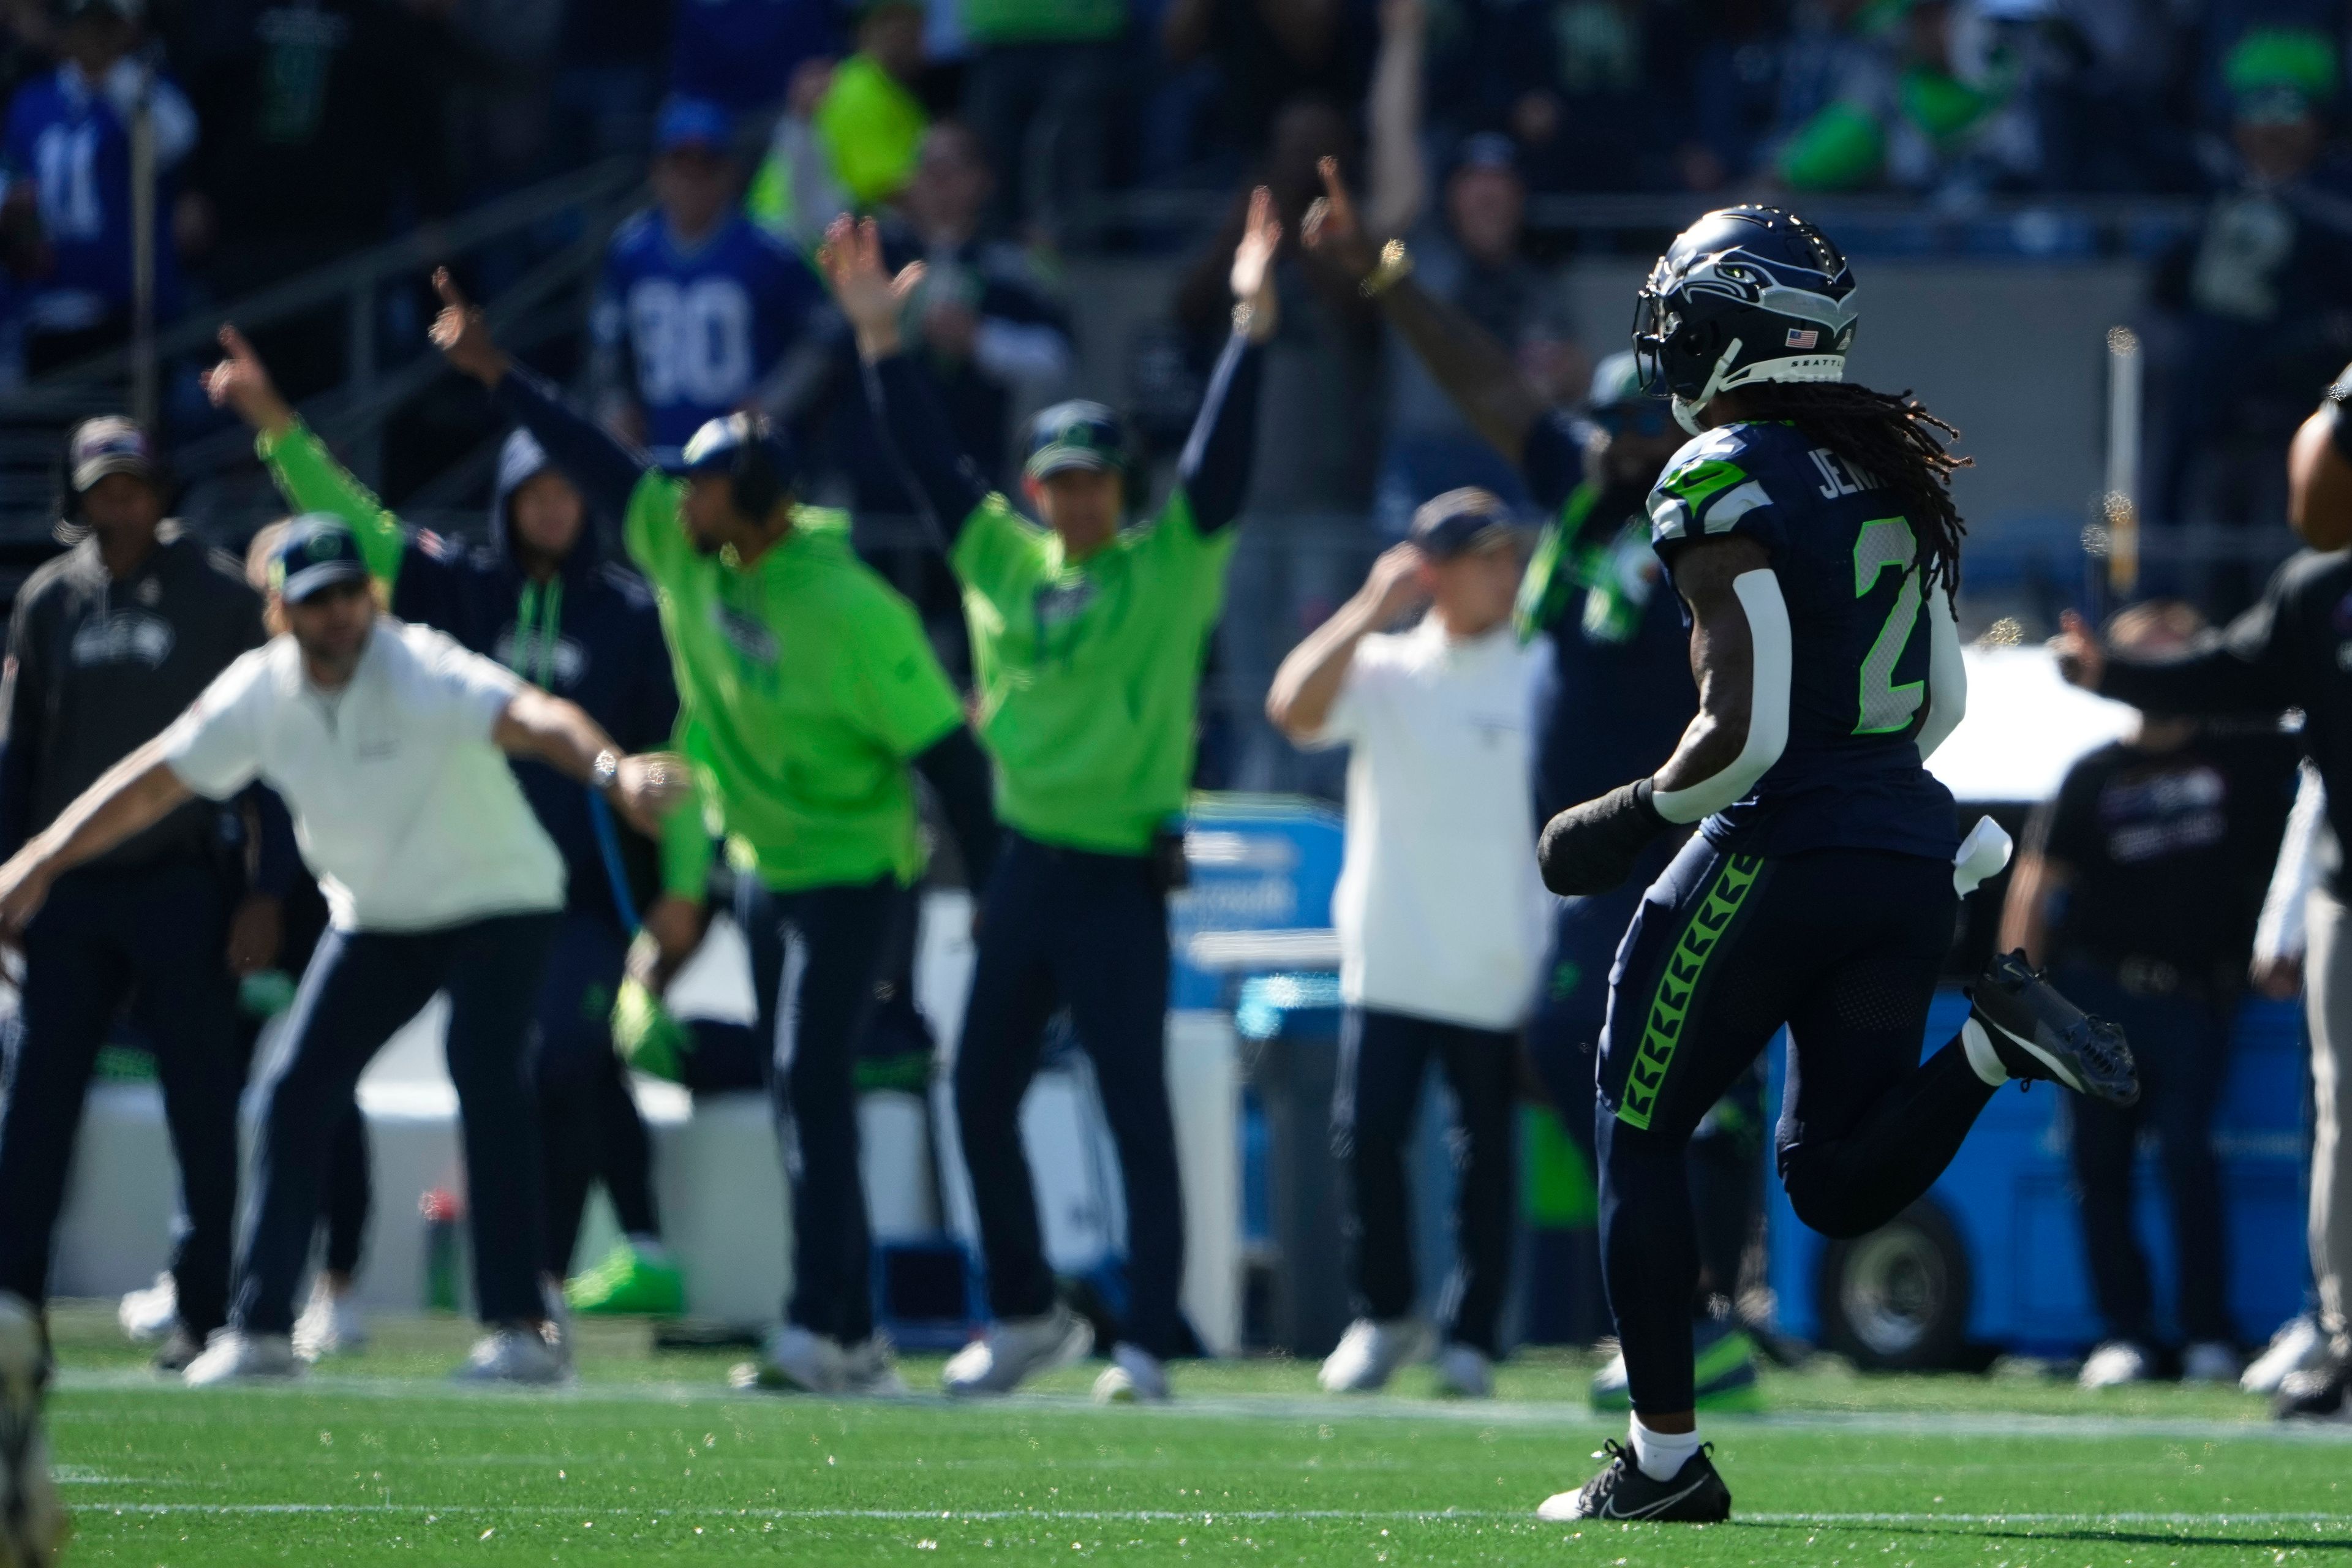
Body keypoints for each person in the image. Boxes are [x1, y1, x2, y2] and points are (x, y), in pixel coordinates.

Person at [1504, 204, 2138, 1520]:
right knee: (1832, 1179)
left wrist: (1618, 818)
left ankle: (1666, 1464)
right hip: (1905, 845)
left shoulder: (1722, 470)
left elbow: (1747, 732)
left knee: (1639, 1118)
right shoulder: (1887, 467)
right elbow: (1943, 701)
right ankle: (1988, 1049)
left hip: (1786, 838)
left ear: (1732, 328)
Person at [431, 268, 1001, 1398]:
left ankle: (822, 1327)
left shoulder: (851, 611)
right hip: (764, 868)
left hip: (852, 874)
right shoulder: (688, 545)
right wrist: (499, 373)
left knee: (809, 1080)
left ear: (761, 503)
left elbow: (953, 762)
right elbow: (597, 455)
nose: (672, 499)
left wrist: (988, 894)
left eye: (700, 486)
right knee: (804, 1097)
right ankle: (853, 1340)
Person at [0, 516, 688, 1386]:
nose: (340, 617)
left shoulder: (421, 664)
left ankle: (519, 1328)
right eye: (317, 602)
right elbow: (149, 784)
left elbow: (537, 714)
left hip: (501, 898)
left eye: (351, 597)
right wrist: (36, 863)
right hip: (377, 916)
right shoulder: (258, 692)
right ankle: (258, 1332)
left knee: (483, 1071)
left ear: (374, 598)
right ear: (282, 615)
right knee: (295, 1089)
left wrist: (613, 773)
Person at [1303, 167, 1767, 1407]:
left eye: (1637, 426)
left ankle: (1701, 1318)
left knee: (1622, 1062)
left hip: (1670, 830)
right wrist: (1392, 281)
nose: (1616, 443)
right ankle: (1689, 1316)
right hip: (1592, 853)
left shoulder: (1711, 514)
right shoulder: (1586, 493)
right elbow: (1492, 385)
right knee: (1598, 1061)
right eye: (1607, 424)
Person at [822, 190, 1274, 1402]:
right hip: (1023, 864)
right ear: (1034, 484)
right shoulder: (999, 558)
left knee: (1134, 1107)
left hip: (1121, 867)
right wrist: (879, 341)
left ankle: (1144, 1337)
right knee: (978, 1092)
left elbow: (1223, 464)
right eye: (1059, 479)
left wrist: (1251, 327)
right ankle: (1024, 1312)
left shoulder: (1166, 567)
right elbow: (925, 457)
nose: (1077, 498)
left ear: (1123, 488)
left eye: (1096, 480)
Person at [203, 325, 688, 1319]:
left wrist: (682, 890)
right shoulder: (455, 588)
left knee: (556, 1059)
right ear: (508, 503)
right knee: (315, 1078)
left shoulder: (635, 620)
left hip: (576, 900)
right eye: (533, 494)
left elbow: (675, 757)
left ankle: (536, 1291)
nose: (553, 509)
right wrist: (273, 427)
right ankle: (279, 1306)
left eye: (566, 492)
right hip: (434, 884)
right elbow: (346, 524)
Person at [2052, 358, 2352, 1417]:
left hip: (2224, 967)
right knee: (2339, 1121)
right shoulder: (2320, 596)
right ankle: (2339, 1334)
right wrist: (2112, 677)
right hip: (2326, 901)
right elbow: (2231, 675)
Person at [0, 416, 268, 1373]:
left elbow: (265, 755)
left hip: (182, 881)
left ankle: (204, 1310)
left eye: (135, 486)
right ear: (76, 502)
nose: (120, 504)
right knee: (35, 1105)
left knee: (201, 1100)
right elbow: (19, 754)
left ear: (162, 494)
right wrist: (10, 878)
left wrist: (263, 889)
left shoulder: (222, 597)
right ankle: (12, 1309)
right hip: (69, 892)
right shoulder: (46, 602)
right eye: (102, 489)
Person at [1265, 491, 1544, 1400]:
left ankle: (1472, 1337)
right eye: (1481, 558)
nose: (1503, 573)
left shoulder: (1539, 670)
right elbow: (1292, 709)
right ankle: (1385, 1318)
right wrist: (1366, 609)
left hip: (1501, 964)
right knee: (1368, 1138)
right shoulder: (1382, 667)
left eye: (1507, 556)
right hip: (1390, 956)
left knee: (1485, 1155)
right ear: (1432, 573)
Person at [2003, 600, 2294, 1389]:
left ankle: (2206, 1333)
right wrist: (2017, 993)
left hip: (2196, 997)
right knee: (2101, 1168)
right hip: (2097, 993)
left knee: (2191, 1163)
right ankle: (2123, 1333)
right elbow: (2036, 881)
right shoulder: (2091, 773)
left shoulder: (2247, 758)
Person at [591, 96, 833, 456]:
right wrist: (615, 408)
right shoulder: (631, 250)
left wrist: (772, 405)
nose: (693, 181)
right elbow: (608, 343)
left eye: (707, 165)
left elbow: (823, 334)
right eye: (680, 165)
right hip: (658, 451)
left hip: (747, 461)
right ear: (657, 172)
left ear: (729, 173)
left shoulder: (768, 250)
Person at [0, 0, 197, 374]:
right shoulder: (34, 98)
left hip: (127, 311)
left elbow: (179, 138)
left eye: (106, 27)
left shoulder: (144, 88)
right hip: (45, 308)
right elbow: (13, 181)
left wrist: (113, 76)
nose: (94, 39)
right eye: (86, 27)